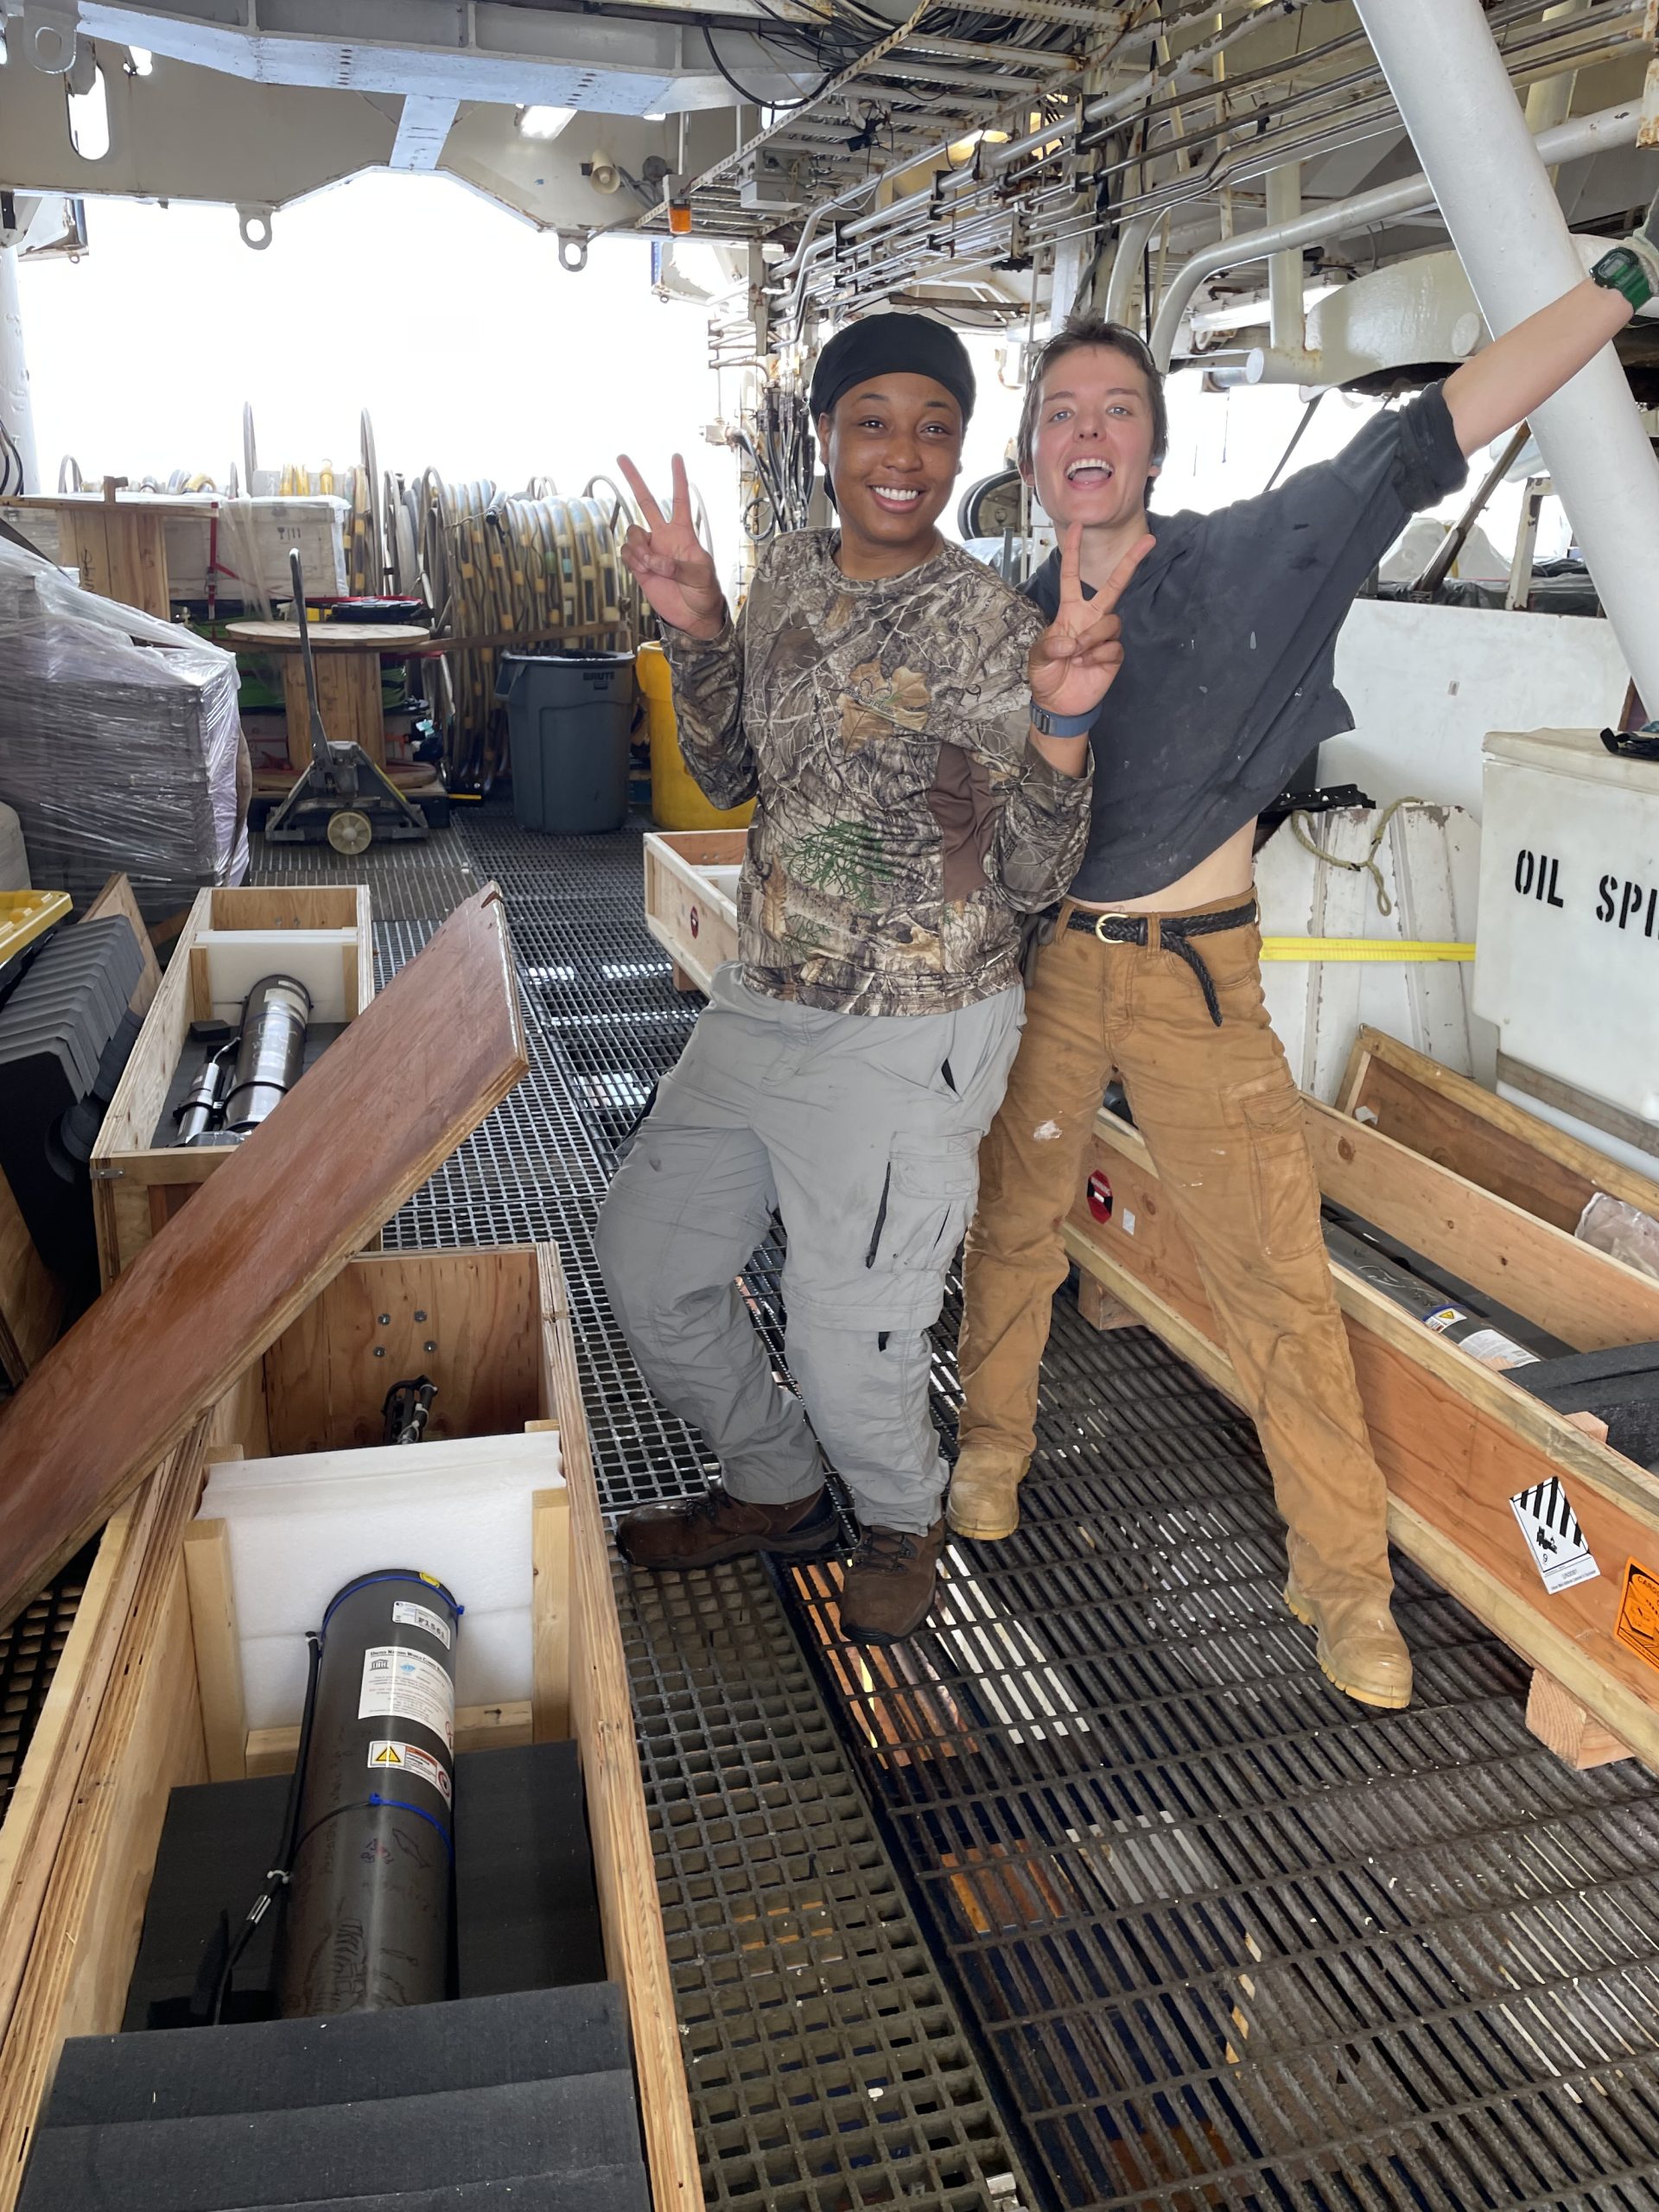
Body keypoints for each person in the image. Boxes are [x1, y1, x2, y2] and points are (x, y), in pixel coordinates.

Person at [954, 200, 1659, 1709]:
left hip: (1199, 986)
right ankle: (990, 1453)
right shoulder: (995, 622)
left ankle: (1345, 1587)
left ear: (1154, 447)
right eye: (1061, 412)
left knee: (1277, 1281)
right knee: (1012, 1224)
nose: (1089, 432)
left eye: (1118, 409)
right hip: (1052, 968)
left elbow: (1441, 423)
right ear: (1031, 456)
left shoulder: (1253, 558)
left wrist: (1627, 282)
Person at [595, 313, 1152, 1644]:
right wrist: (700, 630)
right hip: (763, 997)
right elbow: (730, 772)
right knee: (647, 1266)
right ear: (825, 436)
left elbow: (1031, 875)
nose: (903, 454)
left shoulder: (996, 628)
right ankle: (776, 1482)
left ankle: (901, 1515)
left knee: (851, 1336)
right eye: (873, 422)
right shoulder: (788, 571)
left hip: (916, 1027)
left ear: (962, 450)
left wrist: (1063, 726)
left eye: (934, 427)